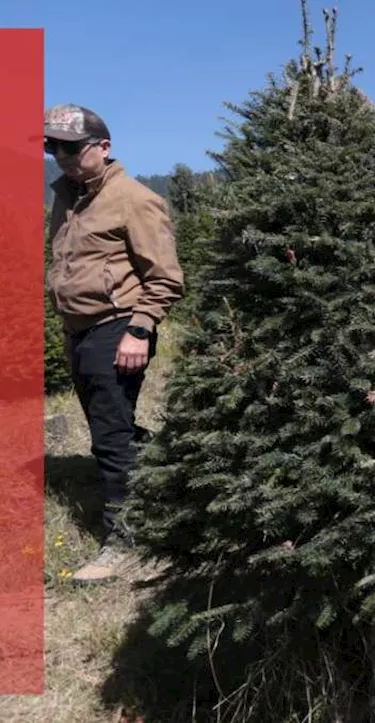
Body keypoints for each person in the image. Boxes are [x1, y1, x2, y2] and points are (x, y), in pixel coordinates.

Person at [44, 104, 185, 585]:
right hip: (77, 329)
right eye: (52, 146)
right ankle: (175, 475)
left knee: (110, 437)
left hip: (118, 326)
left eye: (71, 147)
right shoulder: (67, 196)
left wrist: (139, 329)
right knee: (112, 427)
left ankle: (127, 539)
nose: (60, 156)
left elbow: (165, 279)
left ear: (103, 148)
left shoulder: (134, 199)